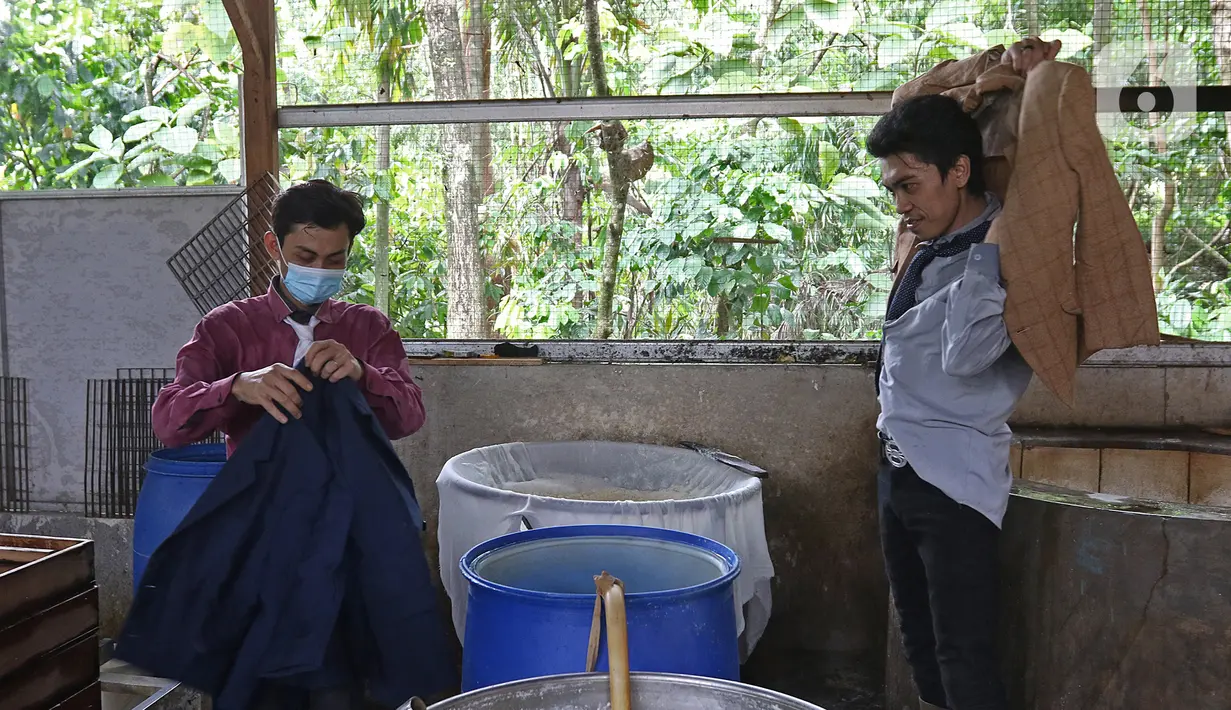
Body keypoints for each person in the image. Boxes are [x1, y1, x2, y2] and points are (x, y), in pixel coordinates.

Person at [867, 35, 1057, 710]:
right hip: (899, 471)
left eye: (909, 185)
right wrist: (999, 72)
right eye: (892, 188)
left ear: (958, 172)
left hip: (953, 484)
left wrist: (1042, 88)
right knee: (920, 644)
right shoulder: (926, 240)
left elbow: (968, 356)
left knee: (963, 657)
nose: (900, 204)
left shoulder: (1004, 252)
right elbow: (921, 97)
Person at [153, 179, 424, 456]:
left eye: (334, 260)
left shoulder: (369, 326)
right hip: (260, 495)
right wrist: (237, 387)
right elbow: (168, 425)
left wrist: (361, 373)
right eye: (305, 257)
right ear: (273, 246)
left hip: (352, 495)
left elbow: (409, 419)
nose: (319, 269)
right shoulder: (226, 327)